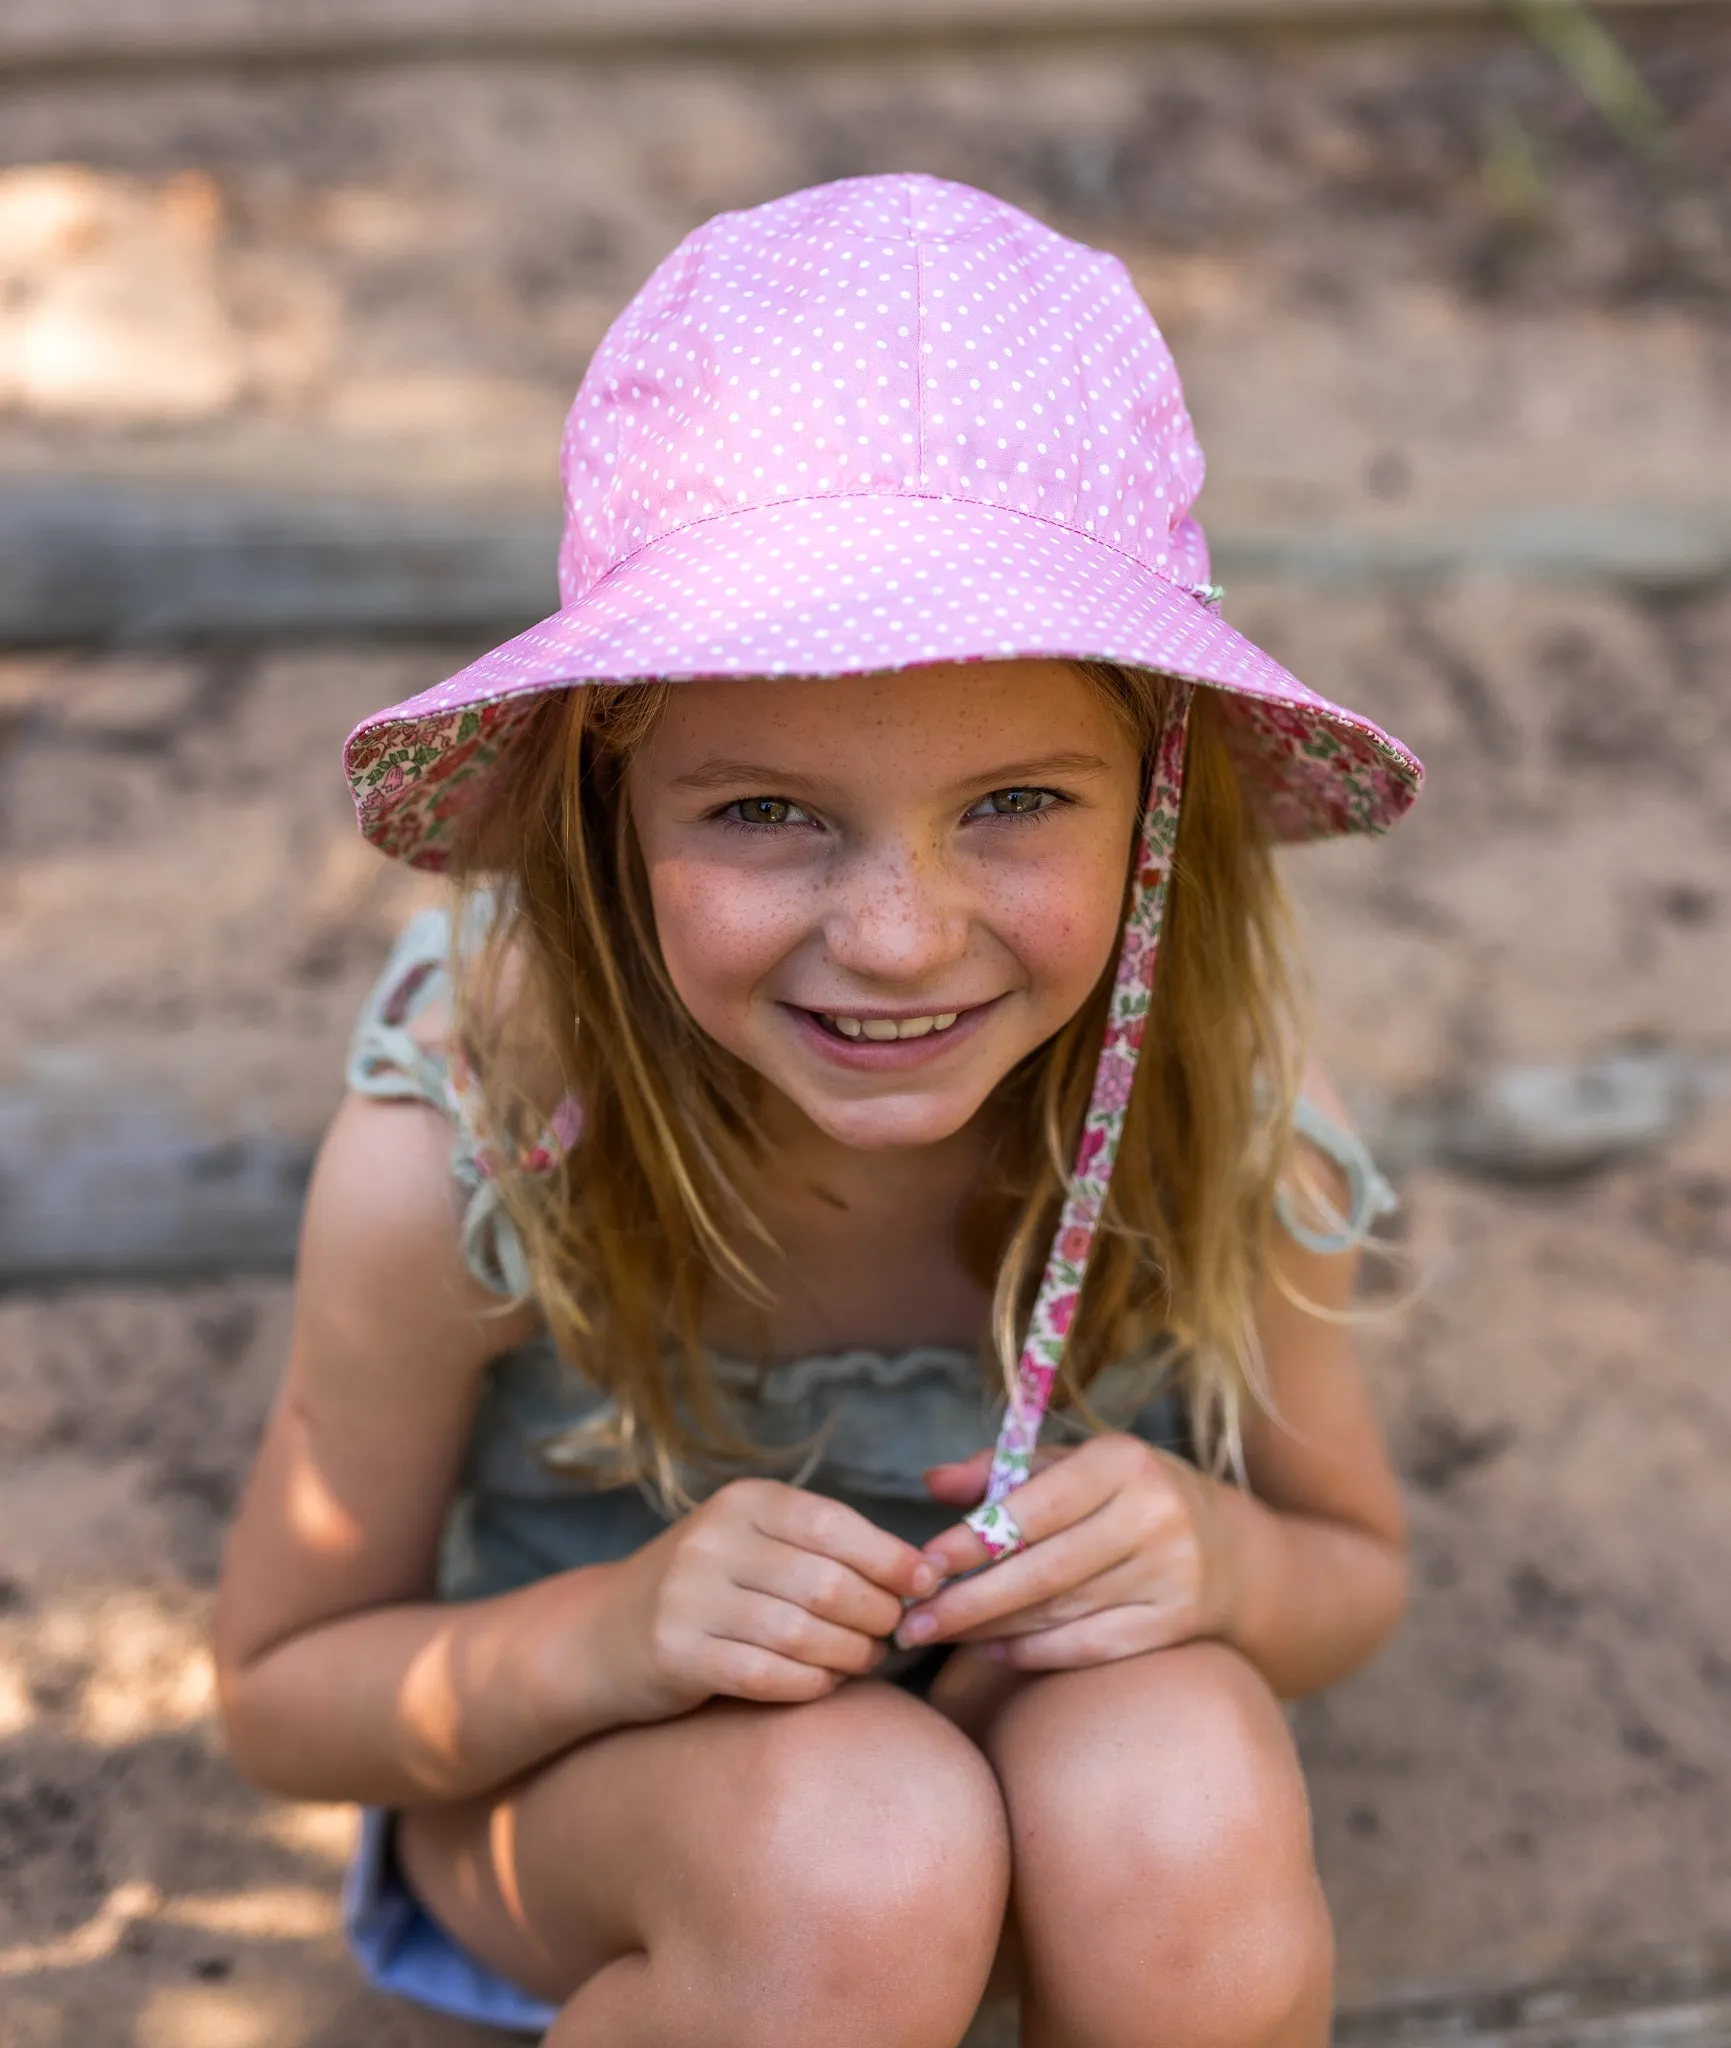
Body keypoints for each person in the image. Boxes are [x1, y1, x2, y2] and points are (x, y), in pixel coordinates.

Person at [214, 173, 1422, 2048]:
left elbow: (1348, 1576)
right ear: (603, 807)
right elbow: (283, 1693)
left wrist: (1223, 1554)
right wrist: (612, 1633)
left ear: (1156, 798)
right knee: (863, 1852)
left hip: (1045, 1792)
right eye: (764, 811)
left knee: (1177, 1780)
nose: (895, 936)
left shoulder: (1220, 1111)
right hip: (624, 1805)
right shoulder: (469, 1142)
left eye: (1015, 802)